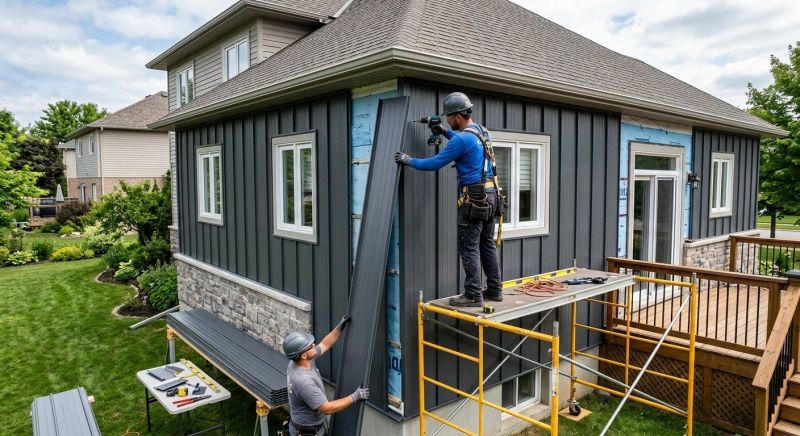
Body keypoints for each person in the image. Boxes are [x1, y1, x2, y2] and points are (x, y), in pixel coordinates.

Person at [395, 92, 503, 307]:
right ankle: (494, 289)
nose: (448, 121)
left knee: (469, 247)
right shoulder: (482, 132)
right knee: (486, 245)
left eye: (449, 119)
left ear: (458, 116)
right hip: (492, 197)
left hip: (473, 199)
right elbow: (465, 143)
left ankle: (473, 295)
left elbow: (435, 163)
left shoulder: (463, 139)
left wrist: (408, 160)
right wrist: (443, 131)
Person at [282, 316, 369, 436]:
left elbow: (324, 344)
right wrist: (354, 396)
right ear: (303, 355)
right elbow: (327, 409)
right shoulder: (304, 382)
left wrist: (339, 328)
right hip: (307, 431)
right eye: (310, 345)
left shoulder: (298, 361)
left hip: (311, 426)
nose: (314, 345)